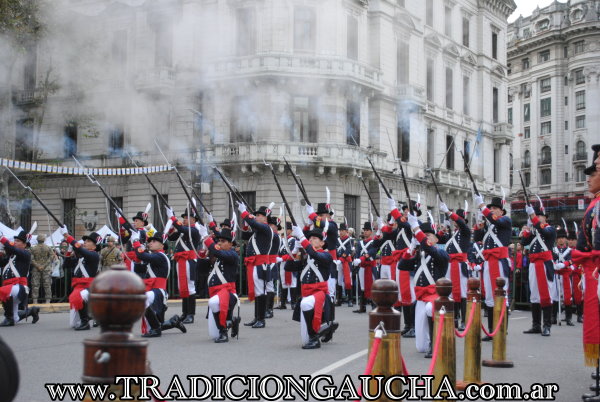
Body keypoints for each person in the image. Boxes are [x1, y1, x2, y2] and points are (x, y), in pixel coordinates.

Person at [399, 218, 449, 358]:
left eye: (428, 235)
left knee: (429, 309)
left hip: (435, 294)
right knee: (420, 347)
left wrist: (416, 229)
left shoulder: (441, 254)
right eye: (423, 235)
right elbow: (402, 266)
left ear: (436, 240)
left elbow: (429, 248)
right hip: (421, 296)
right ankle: (428, 344)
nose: (424, 238)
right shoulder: (418, 255)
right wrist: (411, 248)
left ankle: (435, 344)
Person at [288, 226, 338, 349]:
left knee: (305, 304)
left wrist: (302, 237)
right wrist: (295, 250)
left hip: (319, 293)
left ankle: (315, 338)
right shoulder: (306, 257)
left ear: (322, 242)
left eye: (315, 238)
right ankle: (323, 329)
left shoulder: (326, 256)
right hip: (306, 293)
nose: (311, 240)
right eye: (309, 238)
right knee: (304, 340)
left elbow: (315, 254)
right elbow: (288, 267)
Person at [473, 194, 512, 341]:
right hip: (489, 261)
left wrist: (482, 206)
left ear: (501, 211)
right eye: (491, 208)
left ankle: (502, 329)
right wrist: (479, 226)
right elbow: (477, 238)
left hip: (500, 261)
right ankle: (491, 330)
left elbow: (493, 219)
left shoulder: (505, 221)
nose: (492, 210)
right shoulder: (490, 225)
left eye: (495, 208)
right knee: (489, 296)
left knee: (501, 295)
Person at [133, 230, 186, 338]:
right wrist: (138, 258)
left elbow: (143, 255)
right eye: (150, 241)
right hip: (152, 290)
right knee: (157, 321)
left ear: (162, 245)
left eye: (154, 241)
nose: (151, 243)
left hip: (158, 291)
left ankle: (156, 329)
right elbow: (139, 267)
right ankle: (173, 322)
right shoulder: (154, 257)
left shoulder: (160, 256)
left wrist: (135, 241)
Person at [240, 203, 278, 329]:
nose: (256, 217)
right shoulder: (258, 231)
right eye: (256, 215)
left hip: (260, 264)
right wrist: (246, 219)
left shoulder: (266, 228)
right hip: (255, 264)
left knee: (260, 291)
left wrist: (244, 212)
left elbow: (254, 224)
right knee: (257, 292)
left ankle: (261, 319)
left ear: (265, 218)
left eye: (259, 215)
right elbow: (244, 234)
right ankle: (257, 317)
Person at [199, 226, 240, 343]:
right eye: (219, 241)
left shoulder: (232, 255)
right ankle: (231, 321)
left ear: (231, 244)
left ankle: (223, 333)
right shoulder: (216, 257)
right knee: (212, 334)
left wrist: (206, 238)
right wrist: (203, 256)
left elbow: (218, 252)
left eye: (223, 241)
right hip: (215, 293)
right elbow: (201, 272)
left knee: (212, 302)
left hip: (228, 293)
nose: (220, 243)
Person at [521, 206, 556, 336]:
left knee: (546, 295)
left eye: (539, 216)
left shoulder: (549, 229)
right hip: (534, 264)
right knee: (534, 295)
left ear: (545, 218)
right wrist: (527, 231)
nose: (536, 218)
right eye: (535, 216)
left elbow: (545, 233)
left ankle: (547, 325)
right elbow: (524, 242)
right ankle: (536, 325)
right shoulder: (534, 232)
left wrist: (533, 219)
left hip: (545, 264)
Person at [439, 203, 472, 331]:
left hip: (460, 265)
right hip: (450, 265)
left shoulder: (465, 231)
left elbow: (461, 224)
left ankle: (464, 320)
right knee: (451, 293)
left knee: (462, 294)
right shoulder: (453, 234)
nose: (455, 222)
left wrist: (448, 212)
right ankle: (455, 318)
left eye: (457, 219)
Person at [167, 207, 200, 324]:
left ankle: (191, 314)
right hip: (180, 260)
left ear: (193, 220)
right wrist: (171, 224)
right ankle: (185, 313)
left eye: (187, 218)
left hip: (189, 261)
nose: (184, 220)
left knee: (190, 287)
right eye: (184, 218)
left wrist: (173, 217)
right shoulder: (183, 230)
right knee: (182, 287)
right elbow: (170, 237)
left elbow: (181, 228)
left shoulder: (194, 230)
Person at [63, 228, 101, 330]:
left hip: (89, 287)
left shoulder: (94, 255)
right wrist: (70, 250)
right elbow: (66, 265)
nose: (85, 242)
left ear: (95, 245)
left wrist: (68, 237)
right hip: (78, 286)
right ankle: (88, 316)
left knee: (79, 295)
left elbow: (81, 250)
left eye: (88, 241)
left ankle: (85, 322)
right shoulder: (81, 257)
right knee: (73, 325)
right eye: (85, 241)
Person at [0, 231, 40, 326]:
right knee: (16, 318)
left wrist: (1, 238)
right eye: (15, 240)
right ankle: (31, 311)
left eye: (18, 241)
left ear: (25, 245)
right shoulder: (11, 257)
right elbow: (1, 263)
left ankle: (8, 318)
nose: (15, 242)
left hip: (19, 288)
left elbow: (12, 248)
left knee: (3, 291)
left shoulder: (26, 254)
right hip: (10, 288)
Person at [352, 222, 377, 313]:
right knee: (362, 286)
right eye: (364, 230)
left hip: (371, 267)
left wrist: (362, 258)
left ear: (371, 232)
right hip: (362, 267)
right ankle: (362, 307)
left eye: (367, 230)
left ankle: (374, 306)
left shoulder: (374, 242)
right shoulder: (360, 243)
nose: (365, 232)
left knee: (373, 286)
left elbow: (372, 252)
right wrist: (356, 260)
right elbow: (358, 253)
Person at [276, 222, 300, 310]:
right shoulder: (282, 240)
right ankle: (283, 303)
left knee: (292, 282)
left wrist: (282, 258)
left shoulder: (293, 240)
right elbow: (279, 251)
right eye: (285, 229)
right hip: (282, 264)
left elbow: (293, 252)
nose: (286, 231)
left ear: (291, 230)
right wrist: (278, 258)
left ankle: (293, 303)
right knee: (283, 283)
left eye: (287, 229)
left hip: (290, 262)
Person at [554, 229, 575, 326]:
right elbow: (551, 259)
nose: (561, 240)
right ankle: (553, 317)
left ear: (565, 239)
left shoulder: (570, 251)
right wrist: (555, 265)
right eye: (559, 238)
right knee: (554, 296)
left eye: (562, 238)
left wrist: (563, 264)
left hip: (565, 275)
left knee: (567, 297)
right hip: (556, 275)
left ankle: (569, 318)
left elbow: (571, 260)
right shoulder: (554, 250)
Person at [117, 211, 148, 275]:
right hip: (129, 258)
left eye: (136, 221)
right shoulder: (134, 232)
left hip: (135, 258)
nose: (134, 223)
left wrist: (120, 217)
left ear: (142, 223)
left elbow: (128, 227)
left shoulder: (142, 232)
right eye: (134, 221)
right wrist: (122, 230)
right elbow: (122, 241)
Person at [30, 234, 56, 304]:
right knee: (47, 284)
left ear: (37, 240)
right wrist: (44, 265)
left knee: (35, 285)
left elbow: (31, 259)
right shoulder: (48, 248)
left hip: (36, 268)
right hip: (46, 268)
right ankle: (48, 300)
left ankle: (35, 300)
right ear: (44, 240)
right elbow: (51, 257)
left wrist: (38, 265)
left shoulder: (33, 248)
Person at [336, 222, 353, 307]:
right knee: (339, 280)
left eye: (343, 230)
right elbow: (336, 250)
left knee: (348, 281)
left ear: (346, 231)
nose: (341, 232)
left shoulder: (350, 240)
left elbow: (348, 250)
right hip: (339, 261)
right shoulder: (337, 240)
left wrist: (342, 258)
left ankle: (350, 300)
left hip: (346, 262)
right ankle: (339, 299)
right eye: (340, 230)